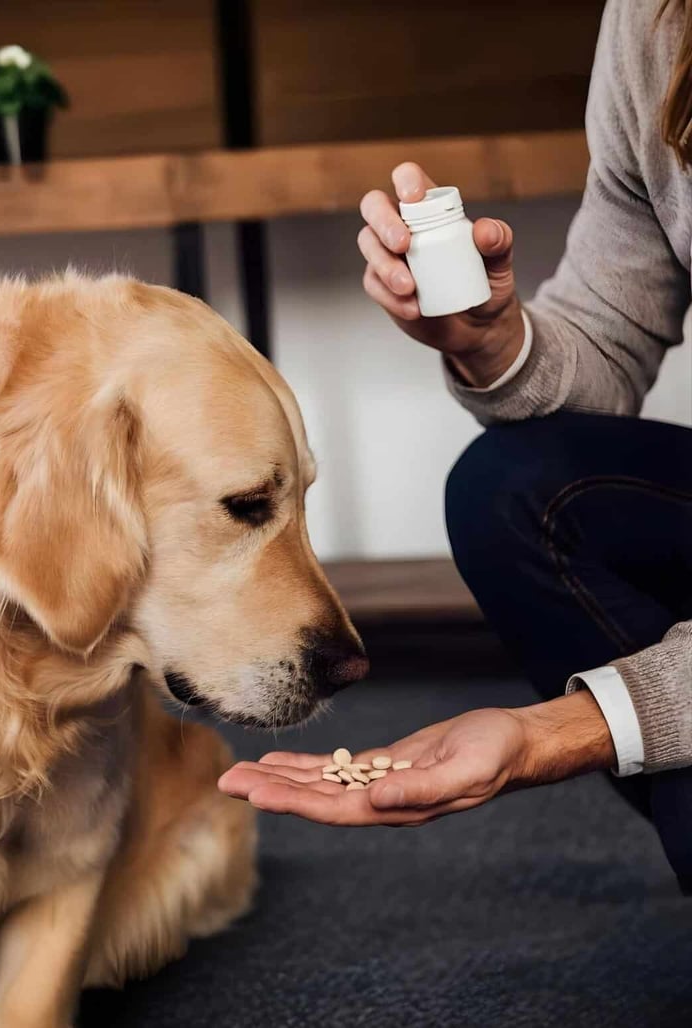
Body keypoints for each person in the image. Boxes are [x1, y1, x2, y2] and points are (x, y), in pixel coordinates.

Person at [218, 0, 692, 889]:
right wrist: (490, 342)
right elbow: (615, 324)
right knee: (512, 491)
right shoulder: (653, 21)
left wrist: (563, 730)